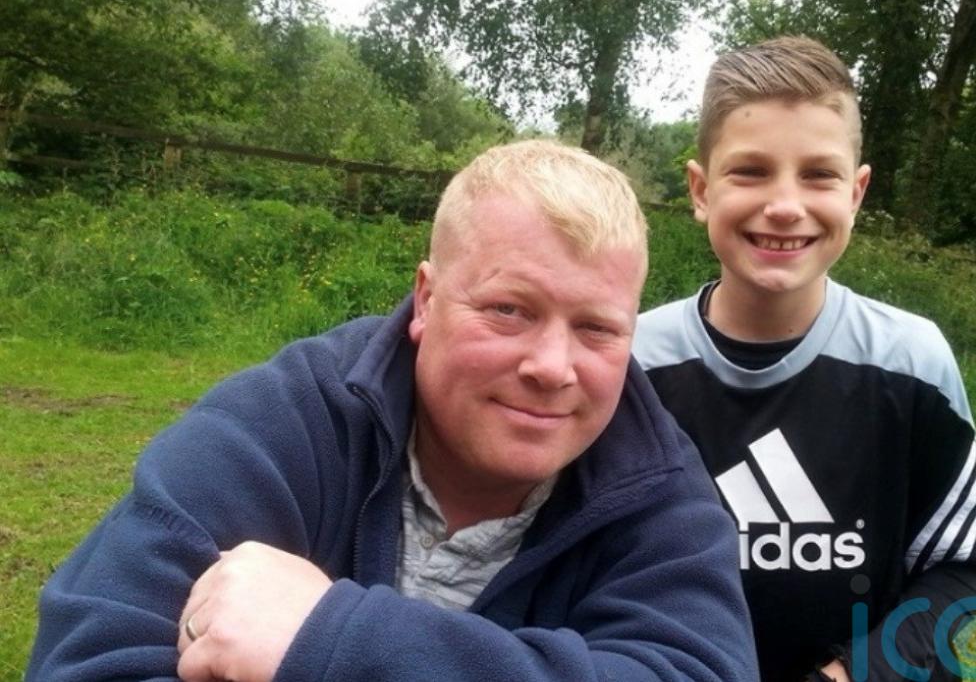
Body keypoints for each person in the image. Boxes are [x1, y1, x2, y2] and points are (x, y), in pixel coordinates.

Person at [27, 140, 758, 682]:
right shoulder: (286, 421)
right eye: (509, 310)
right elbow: (89, 660)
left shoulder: (656, 488)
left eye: (597, 329)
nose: (552, 367)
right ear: (426, 300)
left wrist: (333, 641)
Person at [633, 37, 976, 682]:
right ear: (700, 189)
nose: (784, 205)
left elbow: (960, 565)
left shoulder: (913, 361)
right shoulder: (632, 363)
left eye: (818, 174)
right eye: (750, 171)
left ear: (856, 192)